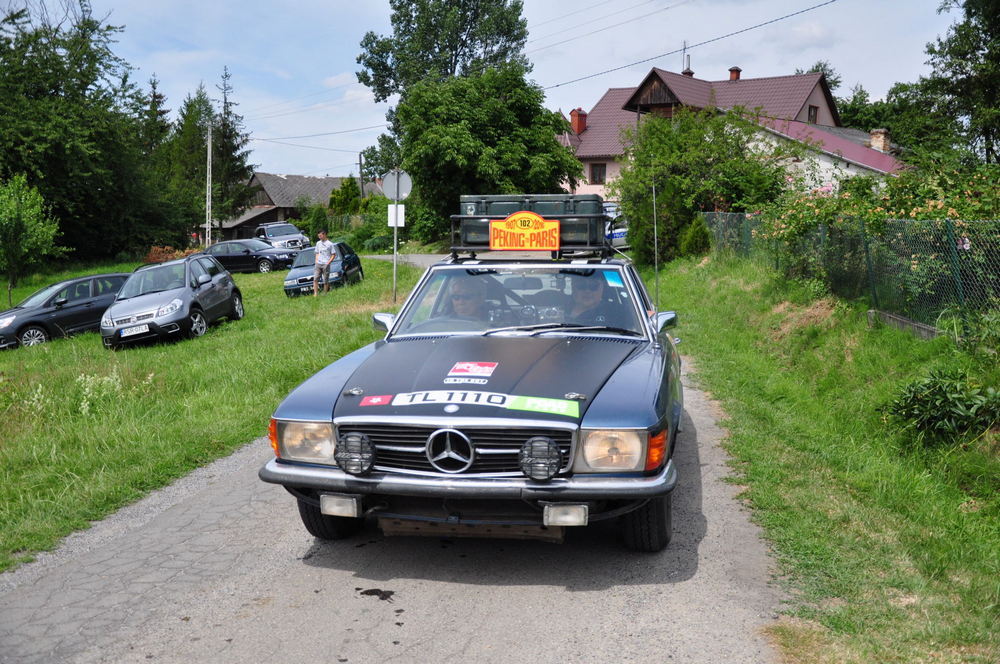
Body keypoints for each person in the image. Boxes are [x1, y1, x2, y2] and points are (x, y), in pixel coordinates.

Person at [313, 230, 335, 296]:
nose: (319, 237)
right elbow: (316, 252)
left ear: (324, 235)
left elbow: (333, 254)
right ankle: (315, 294)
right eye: (318, 236)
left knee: (325, 280)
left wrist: (328, 263)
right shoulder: (318, 243)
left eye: (320, 236)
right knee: (315, 279)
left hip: (326, 263)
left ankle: (325, 293)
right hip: (318, 264)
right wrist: (316, 261)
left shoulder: (330, 244)